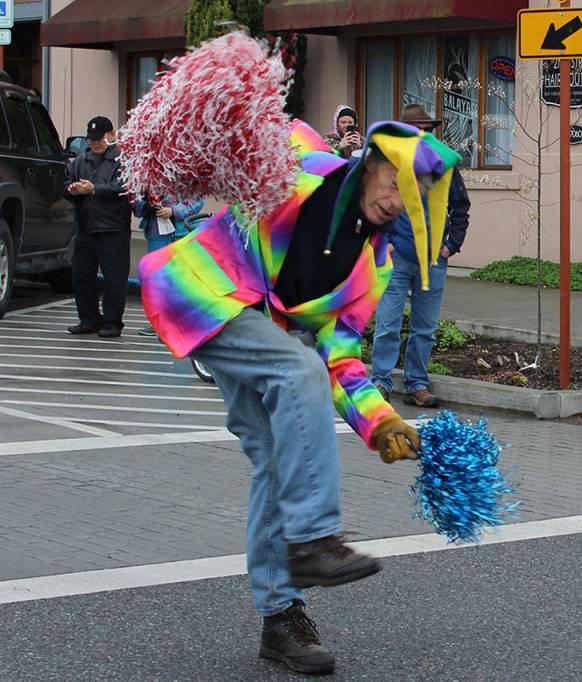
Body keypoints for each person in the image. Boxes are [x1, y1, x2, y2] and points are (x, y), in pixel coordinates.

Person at [138, 119, 461, 675]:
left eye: (417, 196)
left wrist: (381, 422)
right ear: (373, 164)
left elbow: (342, 360)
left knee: (273, 456)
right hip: (201, 289)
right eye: (397, 183)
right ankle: (313, 538)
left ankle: (281, 617)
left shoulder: (373, 265)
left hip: (258, 324)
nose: (401, 201)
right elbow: (256, 129)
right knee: (298, 371)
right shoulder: (302, 168)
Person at [371, 103, 471, 408]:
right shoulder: (391, 165)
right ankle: (381, 382)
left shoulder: (444, 166)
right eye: (416, 131)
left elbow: (461, 208)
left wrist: (450, 246)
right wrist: (383, 243)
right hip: (398, 256)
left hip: (433, 259)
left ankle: (417, 383)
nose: (422, 135)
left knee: (424, 328)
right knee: (387, 323)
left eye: (426, 130)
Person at [64, 116, 132, 338]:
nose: (95, 143)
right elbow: (67, 182)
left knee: (114, 278)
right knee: (82, 277)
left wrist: (94, 189)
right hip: (85, 227)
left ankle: (112, 322)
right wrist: (72, 189)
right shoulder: (80, 161)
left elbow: (122, 188)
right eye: (92, 139)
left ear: (111, 135)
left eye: (100, 138)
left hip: (113, 229)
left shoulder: (122, 160)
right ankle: (88, 319)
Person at [131, 193, 205, 335]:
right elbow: (135, 199)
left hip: (182, 232)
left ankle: (185, 321)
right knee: (158, 279)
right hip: (156, 232)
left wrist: (174, 211)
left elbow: (198, 197)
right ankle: (160, 323)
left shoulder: (189, 173)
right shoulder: (144, 173)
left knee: (183, 279)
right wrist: (146, 205)